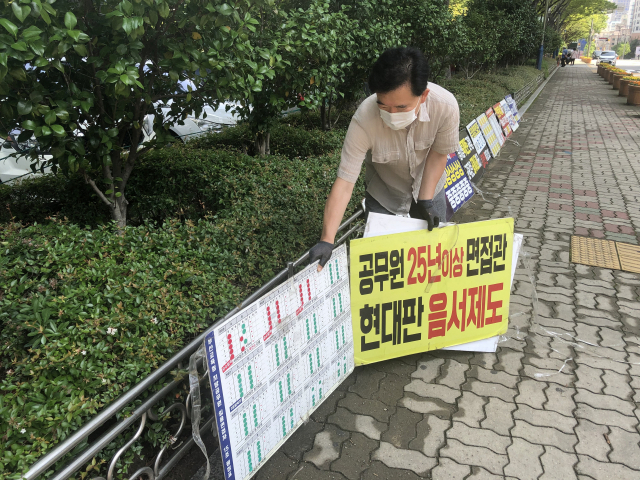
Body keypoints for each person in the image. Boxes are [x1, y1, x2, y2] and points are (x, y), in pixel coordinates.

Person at [308, 47, 460, 270]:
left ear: (423, 96)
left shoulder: (445, 107)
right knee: (383, 263)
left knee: (434, 257)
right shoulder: (364, 119)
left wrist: (425, 200)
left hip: (430, 186)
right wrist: (327, 240)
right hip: (384, 193)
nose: (391, 114)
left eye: (401, 107)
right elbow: (345, 182)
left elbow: (438, 155)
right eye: (383, 105)